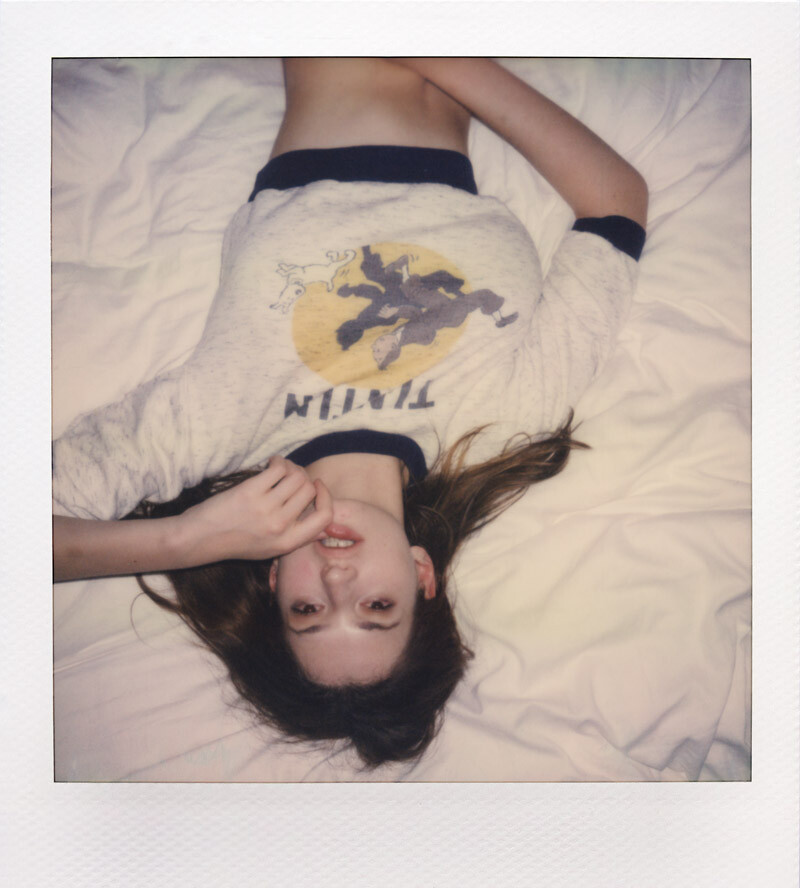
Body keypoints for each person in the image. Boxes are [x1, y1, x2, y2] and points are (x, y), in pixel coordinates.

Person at [52, 58, 648, 768]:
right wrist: (440, 53)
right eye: (377, 609)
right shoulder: (505, 422)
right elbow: (616, 205)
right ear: (421, 576)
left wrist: (188, 540)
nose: (338, 584)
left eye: (308, 612)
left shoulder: (213, 423)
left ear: (275, 582)